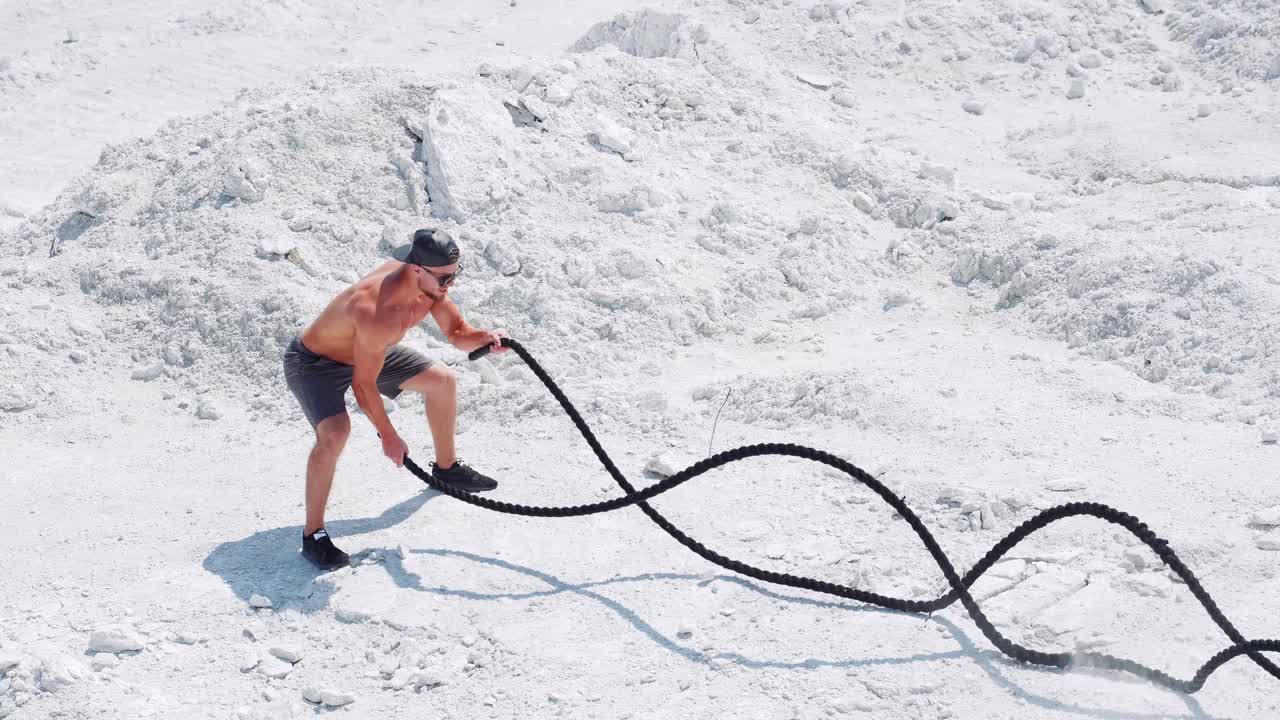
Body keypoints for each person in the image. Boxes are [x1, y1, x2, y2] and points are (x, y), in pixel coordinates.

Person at [282, 228, 509, 569]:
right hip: (316, 363)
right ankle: (313, 535)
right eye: (444, 279)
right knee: (335, 433)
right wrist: (388, 435)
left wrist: (487, 338)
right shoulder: (376, 308)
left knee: (443, 381)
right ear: (417, 268)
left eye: (455, 275)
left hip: (367, 351)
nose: (451, 286)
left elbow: (458, 333)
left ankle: (447, 469)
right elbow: (363, 386)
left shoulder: (430, 287)